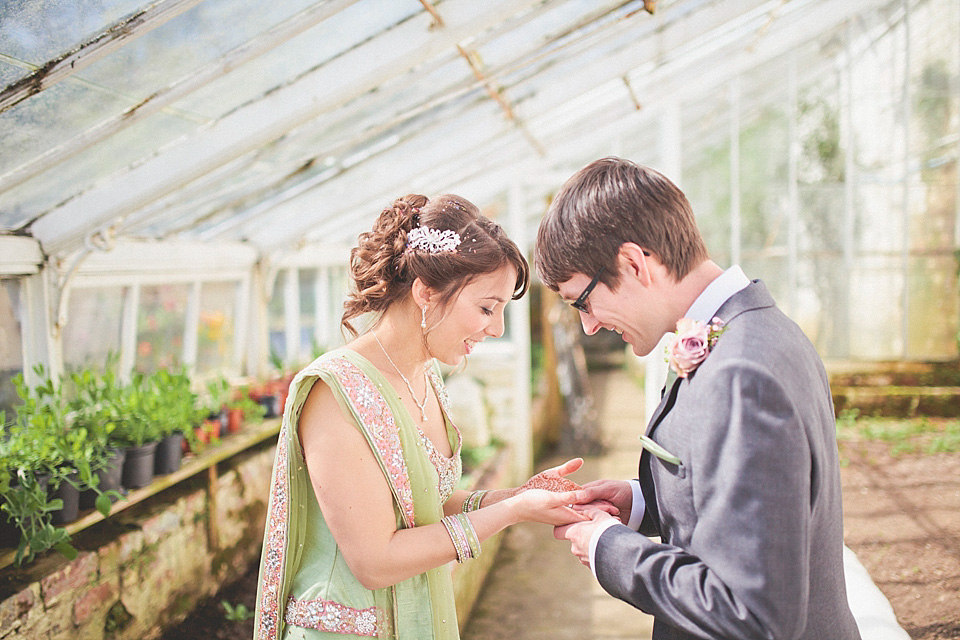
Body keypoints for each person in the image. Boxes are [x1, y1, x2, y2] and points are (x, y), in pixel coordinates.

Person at [538, 158, 862, 640]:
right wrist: (642, 502)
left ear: (633, 264)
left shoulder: (740, 374)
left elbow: (752, 613)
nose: (588, 324)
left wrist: (610, 547)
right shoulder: (753, 329)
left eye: (582, 300)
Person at [254, 193, 588, 640]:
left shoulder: (425, 375)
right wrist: (509, 512)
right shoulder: (336, 393)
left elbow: (424, 507)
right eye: (487, 308)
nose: (498, 328)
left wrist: (521, 498)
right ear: (425, 293)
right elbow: (375, 561)